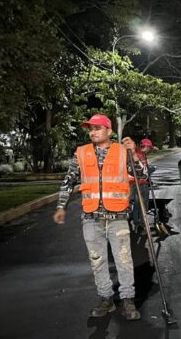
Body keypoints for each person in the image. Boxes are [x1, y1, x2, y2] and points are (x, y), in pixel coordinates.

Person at [53, 114, 147, 319]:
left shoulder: (123, 151)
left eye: (97, 128)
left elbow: (143, 176)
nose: (92, 132)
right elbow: (68, 182)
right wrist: (62, 206)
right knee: (97, 260)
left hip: (118, 217)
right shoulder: (81, 153)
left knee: (123, 260)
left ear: (109, 131)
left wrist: (135, 154)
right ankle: (106, 299)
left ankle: (128, 301)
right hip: (91, 217)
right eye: (90, 129)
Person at [129, 138, 154, 232]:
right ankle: (139, 224)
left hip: (141, 183)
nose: (149, 150)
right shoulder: (137, 154)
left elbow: (144, 169)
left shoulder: (142, 154)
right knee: (140, 205)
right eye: (149, 148)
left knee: (140, 204)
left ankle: (139, 222)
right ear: (145, 146)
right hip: (138, 184)